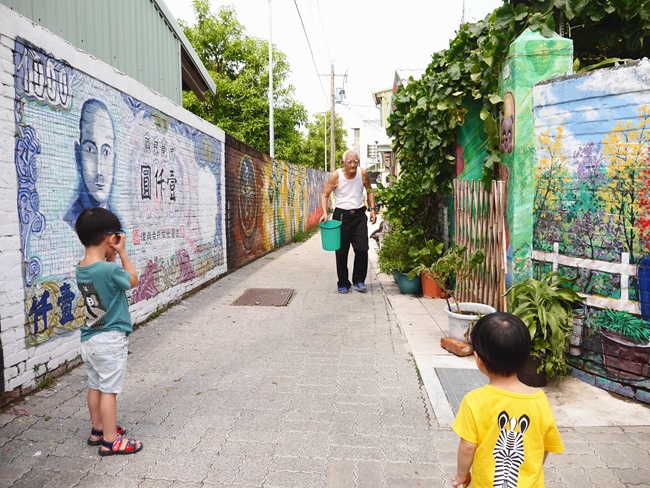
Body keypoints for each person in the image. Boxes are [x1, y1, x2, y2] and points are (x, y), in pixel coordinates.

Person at [451, 312, 564, 487]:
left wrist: (461, 475)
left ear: (478, 359)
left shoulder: (475, 401)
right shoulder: (539, 401)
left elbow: (467, 446)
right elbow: (546, 445)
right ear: (525, 357)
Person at [75, 207, 143, 456]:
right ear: (109, 238)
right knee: (109, 391)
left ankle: (98, 430)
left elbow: (108, 282)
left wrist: (112, 255)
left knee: (95, 386)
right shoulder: (109, 270)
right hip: (110, 338)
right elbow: (132, 280)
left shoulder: (82, 268)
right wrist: (123, 252)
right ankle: (111, 441)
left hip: (90, 339)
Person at [320, 149, 377, 294]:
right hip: (341, 217)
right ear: (343, 163)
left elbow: (370, 191)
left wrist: (373, 209)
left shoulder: (362, 173)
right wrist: (325, 213)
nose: (353, 165)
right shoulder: (336, 176)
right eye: (349, 162)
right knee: (341, 252)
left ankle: (359, 280)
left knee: (362, 249)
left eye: (355, 161)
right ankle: (343, 283)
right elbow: (325, 195)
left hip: (359, 215)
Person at [64, 99, 117, 227]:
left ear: (114, 160)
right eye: (90, 149)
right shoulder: (71, 223)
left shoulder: (118, 224)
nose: (99, 170)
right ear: (78, 156)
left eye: (106, 152)